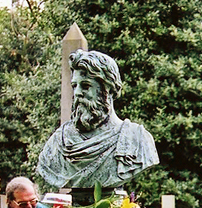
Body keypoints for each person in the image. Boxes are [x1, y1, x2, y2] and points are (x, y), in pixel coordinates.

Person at [37, 49, 159, 193]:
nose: (77, 93)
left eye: (86, 86)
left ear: (109, 89)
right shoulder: (58, 142)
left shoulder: (137, 139)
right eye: (74, 86)